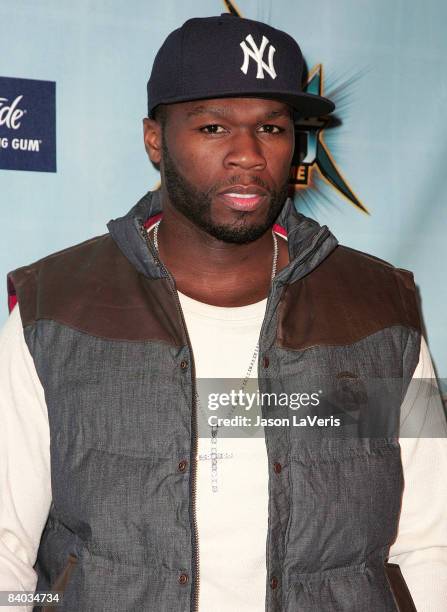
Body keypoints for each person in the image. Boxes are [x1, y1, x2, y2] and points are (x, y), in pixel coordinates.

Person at [1, 12, 446, 612]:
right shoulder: (57, 307)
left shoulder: (378, 308)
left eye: (271, 127)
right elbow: (6, 547)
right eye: (213, 127)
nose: (248, 155)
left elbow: (430, 541)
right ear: (155, 139)